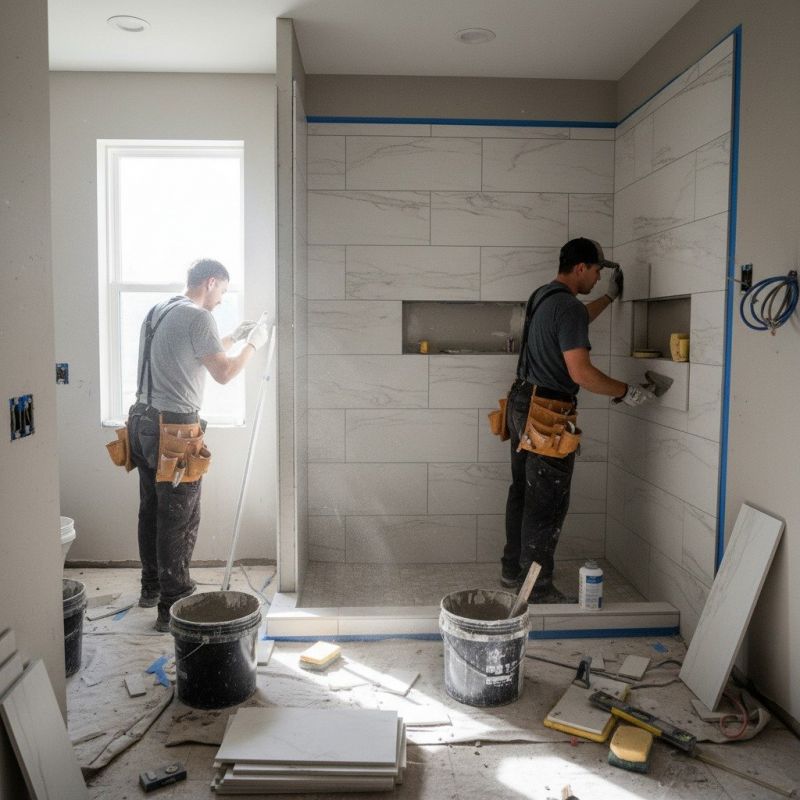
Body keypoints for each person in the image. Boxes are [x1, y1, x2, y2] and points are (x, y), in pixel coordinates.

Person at [502, 238, 654, 603]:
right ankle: (536, 589)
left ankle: (513, 571)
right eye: (598, 271)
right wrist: (625, 390)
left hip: (521, 401)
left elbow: (576, 318)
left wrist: (610, 299)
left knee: (523, 491)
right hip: (548, 413)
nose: (599, 278)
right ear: (581, 267)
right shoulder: (567, 307)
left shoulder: (544, 296)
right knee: (547, 500)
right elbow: (582, 373)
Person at [127, 258, 269, 631]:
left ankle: (152, 588)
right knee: (180, 517)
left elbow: (199, 353)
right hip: (174, 429)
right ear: (210, 282)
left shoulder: (160, 310)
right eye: (222, 290)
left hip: (141, 421)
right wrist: (254, 345)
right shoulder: (199, 316)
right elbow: (223, 372)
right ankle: (172, 606)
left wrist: (234, 338)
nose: (221, 300)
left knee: (152, 509)